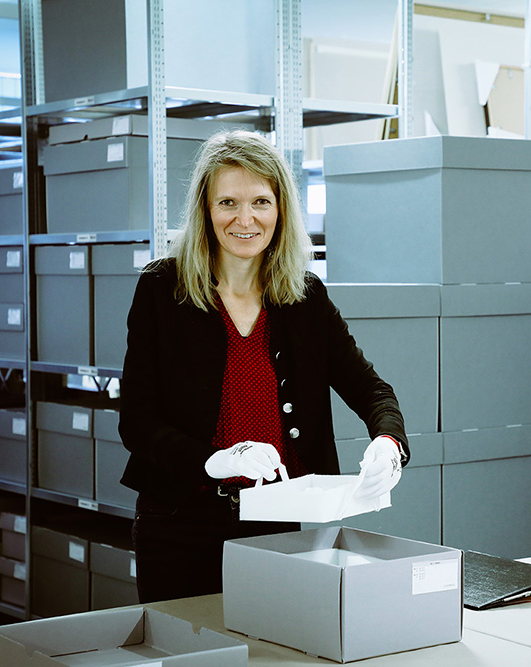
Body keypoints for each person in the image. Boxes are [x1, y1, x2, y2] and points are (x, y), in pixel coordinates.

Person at [118, 129, 409, 603]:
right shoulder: (161, 290)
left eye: (260, 202)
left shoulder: (306, 297)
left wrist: (388, 442)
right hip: (178, 527)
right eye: (228, 202)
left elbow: (371, 389)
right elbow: (137, 421)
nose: (245, 219)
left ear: (281, 210)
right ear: (206, 210)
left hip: (282, 526)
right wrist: (214, 460)